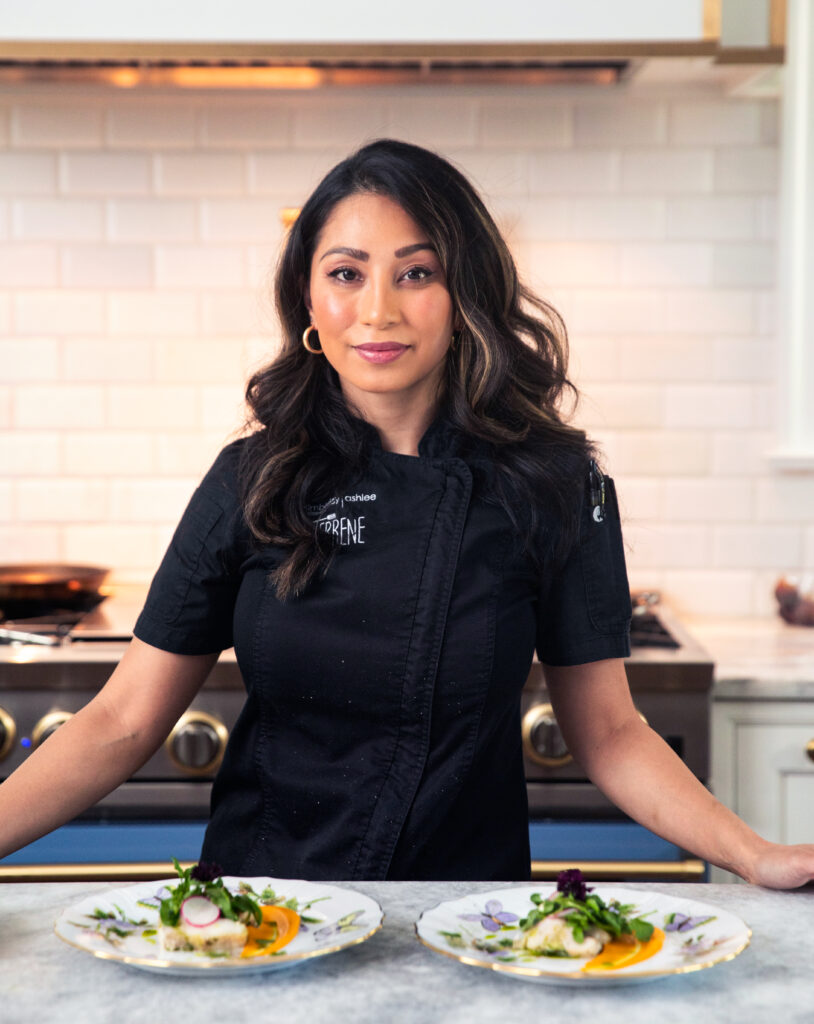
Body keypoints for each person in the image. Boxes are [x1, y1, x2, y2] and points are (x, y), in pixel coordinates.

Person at [1, 139, 813, 887]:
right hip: (261, 919)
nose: (379, 310)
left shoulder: (557, 484)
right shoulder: (250, 480)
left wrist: (757, 854)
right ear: (308, 298)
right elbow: (120, 721)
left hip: (460, 924)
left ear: (467, 294)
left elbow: (611, 734)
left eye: (417, 273)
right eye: (347, 274)